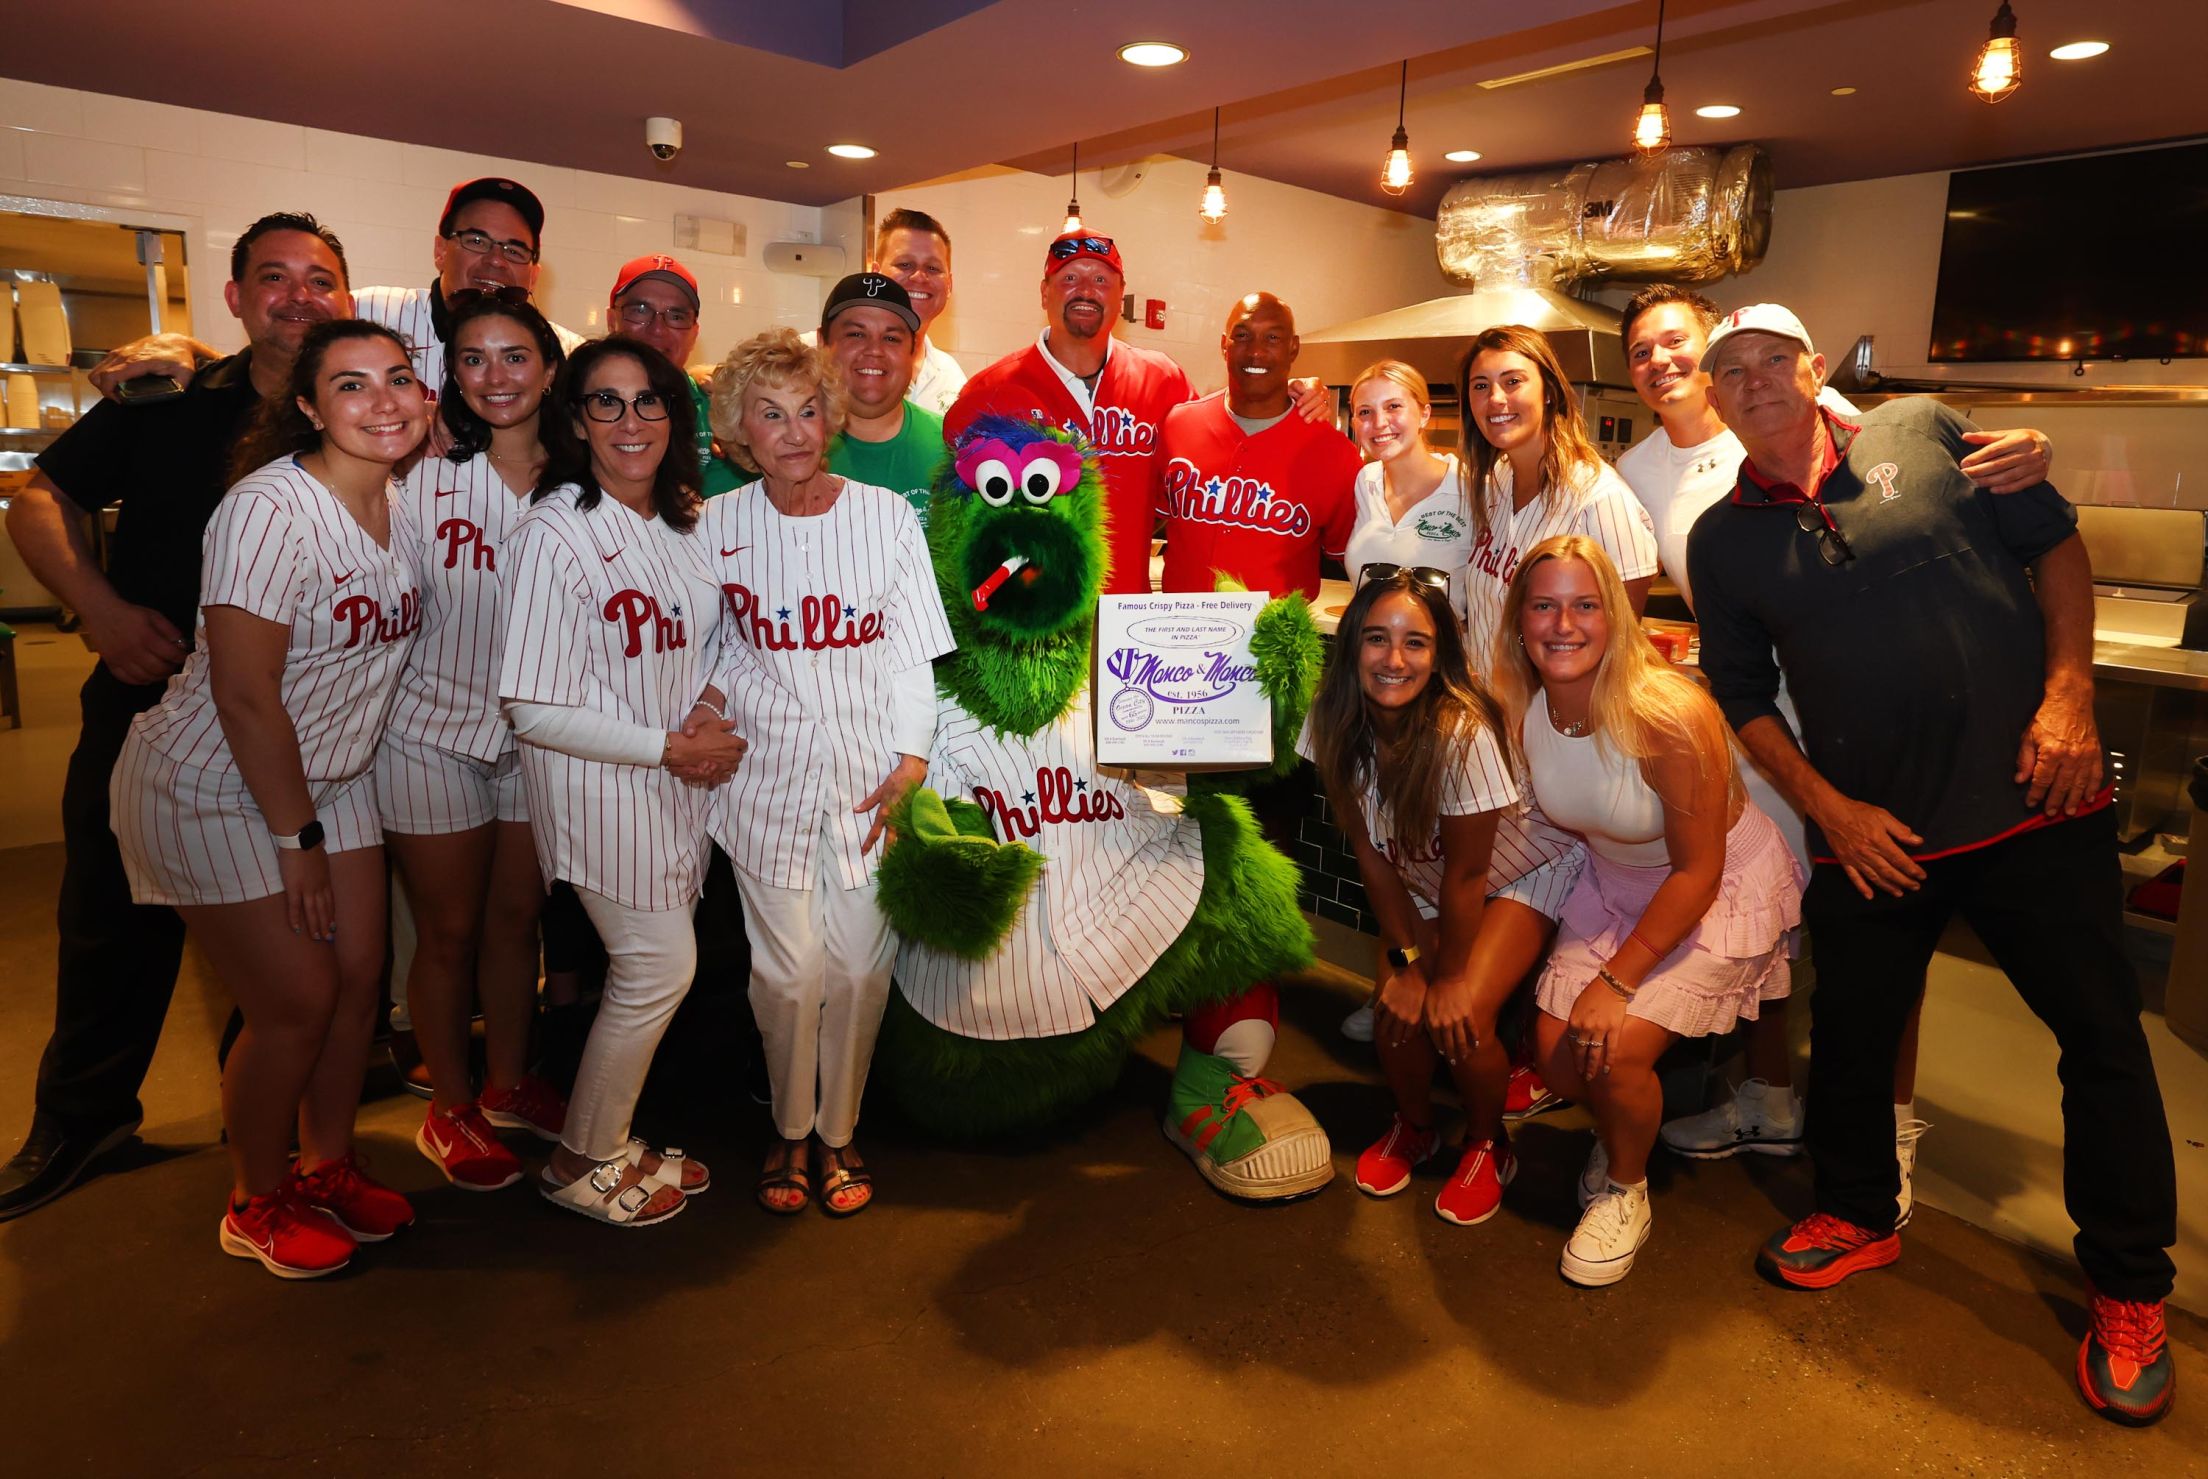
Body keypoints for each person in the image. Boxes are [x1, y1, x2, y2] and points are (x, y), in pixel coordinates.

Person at [1687, 303, 2178, 1424]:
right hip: (1874, 832)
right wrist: (1825, 808)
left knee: (2100, 1040)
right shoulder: (1724, 540)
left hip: (2032, 803)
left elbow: (2054, 546)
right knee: (1850, 1040)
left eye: (1774, 361)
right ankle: (1857, 1212)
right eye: (1733, 372)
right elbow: (1743, 691)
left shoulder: (1925, 428)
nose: (1755, 382)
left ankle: (2129, 1289)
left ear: (1814, 371)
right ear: (1713, 399)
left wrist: (2070, 695)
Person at [1616, 286, 2051, 1213]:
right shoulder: (1639, 467)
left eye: (1678, 344)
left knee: (1888, 929)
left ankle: (1890, 1127)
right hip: (1758, 734)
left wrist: (2035, 451)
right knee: (1762, 915)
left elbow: (1950, 475)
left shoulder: (1825, 416)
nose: (1662, 362)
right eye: (1639, 351)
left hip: (1867, 727)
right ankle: (1770, 1096)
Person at [0, 212, 352, 1223]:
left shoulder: (364, 408)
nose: (297, 295)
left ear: (346, 298)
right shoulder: (166, 402)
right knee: (110, 918)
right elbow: (41, 496)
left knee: (288, 936)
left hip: (300, 728)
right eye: (272, 278)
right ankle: (84, 1117)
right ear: (235, 299)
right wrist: (100, 610)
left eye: (318, 279)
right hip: (151, 706)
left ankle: (275, 1132)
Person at [108, 318, 429, 1277]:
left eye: (399, 379)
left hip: (337, 773)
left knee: (358, 980)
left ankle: (326, 1166)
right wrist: (297, 841)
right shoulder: (269, 509)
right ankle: (256, 1194)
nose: (383, 402)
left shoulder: (398, 499)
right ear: (306, 407)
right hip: (217, 782)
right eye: (351, 386)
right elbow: (246, 698)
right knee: (297, 998)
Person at [1491, 535, 1802, 1286]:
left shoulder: (1669, 715)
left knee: (1617, 1046)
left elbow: (1699, 871)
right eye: (1544, 604)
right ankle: (1621, 1124)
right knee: (1562, 1060)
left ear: (1615, 618)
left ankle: (1627, 1185)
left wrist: (1618, 981)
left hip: (1709, 889)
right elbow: (1559, 815)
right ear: (1519, 620)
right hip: (1614, 885)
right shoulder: (1526, 702)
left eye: (1585, 604)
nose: (1563, 624)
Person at [703, 329, 955, 1215]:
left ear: (832, 416)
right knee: (788, 974)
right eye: (770, 414)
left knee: (855, 968)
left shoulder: (885, 518)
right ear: (736, 431)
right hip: (761, 784)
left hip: (867, 782)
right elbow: (702, 654)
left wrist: (914, 758)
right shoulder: (714, 525)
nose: (795, 430)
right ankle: (791, 1128)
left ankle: (840, 1128)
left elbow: (910, 656)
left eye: (809, 409)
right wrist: (699, 710)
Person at [498, 336, 747, 1228]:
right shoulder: (553, 531)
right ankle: (578, 1157)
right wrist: (669, 748)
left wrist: (710, 709)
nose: (631, 420)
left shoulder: (680, 522)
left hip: (672, 786)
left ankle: (606, 1135)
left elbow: (711, 645)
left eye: (649, 401)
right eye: (606, 402)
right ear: (576, 420)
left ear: (675, 417)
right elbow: (531, 706)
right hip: (603, 791)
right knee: (655, 968)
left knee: (654, 968)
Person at [380, 296, 569, 1191]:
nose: (496, 377)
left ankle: (506, 1082)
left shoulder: (588, 479)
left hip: (538, 740)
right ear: (450, 376)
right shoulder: (420, 478)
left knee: (516, 919)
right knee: (447, 931)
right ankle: (448, 1104)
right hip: (431, 732)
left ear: (550, 367)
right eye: (473, 360)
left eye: (515, 356)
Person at [1304, 567, 1537, 1227]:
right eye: (1377, 638)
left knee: (1459, 1016)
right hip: (1425, 884)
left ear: (1440, 657)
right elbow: (1371, 854)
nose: (1394, 658)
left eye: (1416, 642)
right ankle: (1417, 1124)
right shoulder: (1334, 718)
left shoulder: (1462, 734)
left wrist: (1446, 978)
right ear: (1352, 646)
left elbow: (1470, 876)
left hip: (1517, 876)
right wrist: (1408, 961)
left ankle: (1490, 1142)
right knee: (1396, 1013)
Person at [89, 177, 585, 401]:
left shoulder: (566, 351)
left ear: (534, 273)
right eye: (475, 239)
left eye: (515, 249)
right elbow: (280, 350)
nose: (495, 260)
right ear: (440, 250)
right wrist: (188, 349)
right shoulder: (367, 312)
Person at [1460, 324, 1660, 659]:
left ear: (1548, 392)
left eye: (1512, 382)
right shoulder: (1495, 482)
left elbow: (1622, 646)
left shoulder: (1600, 499)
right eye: (1481, 385)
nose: (1495, 398)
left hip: (1558, 710)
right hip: (1487, 705)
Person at [1156, 292, 1361, 601]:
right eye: (1243, 336)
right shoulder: (1177, 425)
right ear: (1224, 345)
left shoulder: (1335, 454)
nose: (1256, 352)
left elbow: (1349, 557)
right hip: (1182, 635)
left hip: (1276, 643)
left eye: (1273, 338)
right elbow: (1149, 519)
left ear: (1293, 348)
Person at [1343, 360, 1473, 620]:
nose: (1379, 422)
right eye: (1365, 412)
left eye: (1393, 406)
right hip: (1370, 651)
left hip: (1443, 657)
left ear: (1424, 414)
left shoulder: (1469, 489)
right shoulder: (1365, 482)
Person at [608, 253, 744, 496]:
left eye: (677, 316)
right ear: (611, 320)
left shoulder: (717, 412)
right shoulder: (578, 403)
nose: (658, 328)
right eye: (640, 310)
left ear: (694, 333)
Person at [818, 273, 945, 525]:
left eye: (891, 338)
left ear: (913, 350)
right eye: (856, 334)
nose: (874, 350)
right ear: (822, 342)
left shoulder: (953, 448)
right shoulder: (787, 445)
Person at [866, 208, 966, 415]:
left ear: (949, 284)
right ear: (876, 274)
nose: (919, 277)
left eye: (933, 268)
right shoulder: (818, 356)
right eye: (905, 264)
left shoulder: (951, 378)